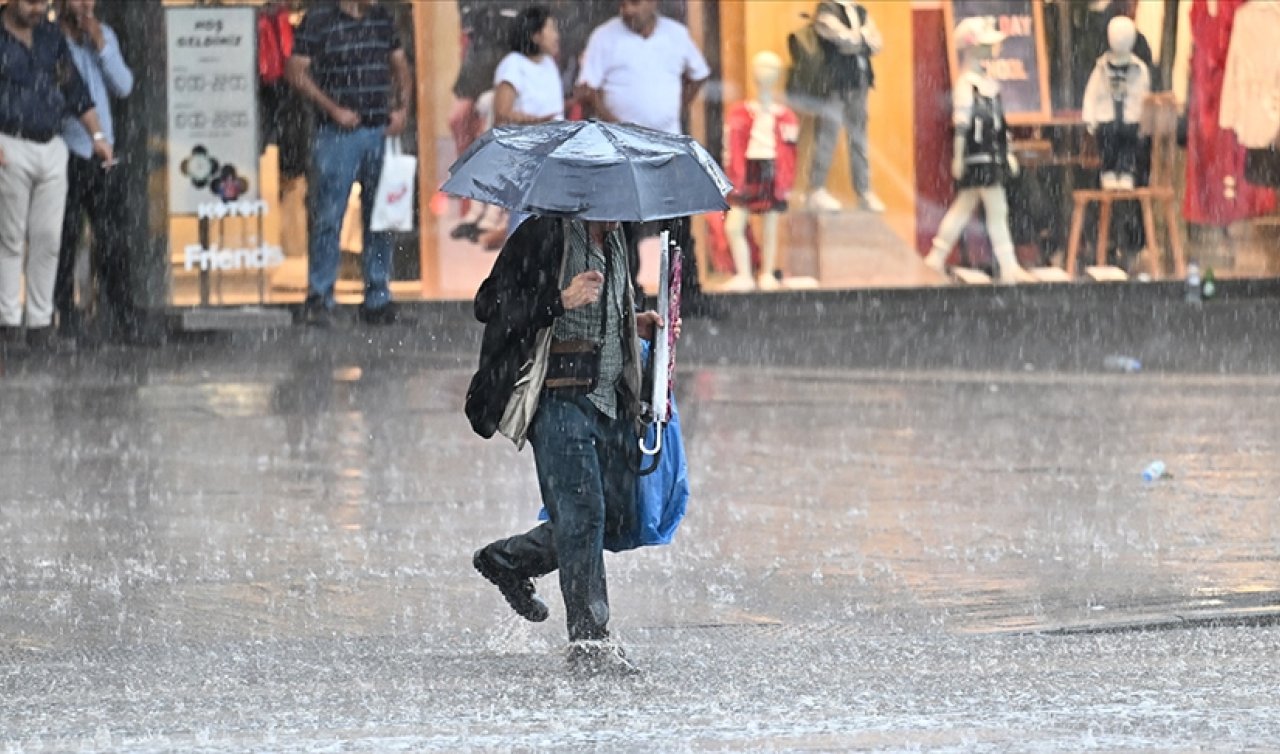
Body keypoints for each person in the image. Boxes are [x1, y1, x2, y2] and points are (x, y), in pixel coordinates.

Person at [465, 215, 666, 678]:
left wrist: (632, 322)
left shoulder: (617, 238)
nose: (619, 208)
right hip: (558, 400)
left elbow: (604, 312)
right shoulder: (543, 234)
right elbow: (489, 303)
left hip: (611, 398)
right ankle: (590, 641)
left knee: (614, 516)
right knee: (583, 515)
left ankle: (508, 560)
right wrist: (559, 300)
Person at [577, 0, 712, 311]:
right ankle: (627, 295)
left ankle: (685, 293)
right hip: (621, 151)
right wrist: (616, 124)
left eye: (635, 3)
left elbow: (699, 74)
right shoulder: (605, 37)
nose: (628, 10)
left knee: (677, 224)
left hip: (667, 147)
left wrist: (677, 107)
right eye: (623, 4)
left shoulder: (676, 35)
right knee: (624, 227)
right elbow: (586, 89)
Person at [286, 0, 412, 327]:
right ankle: (321, 295)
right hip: (337, 133)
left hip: (377, 129)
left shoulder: (381, 18)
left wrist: (402, 109)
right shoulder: (320, 19)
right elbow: (296, 71)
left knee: (380, 217)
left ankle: (376, 297)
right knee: (329, 216)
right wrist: (333, 109)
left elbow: (400, 65)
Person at [0, 0, 113, 356]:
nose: (38, 9)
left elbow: (74, 88)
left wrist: (97, 136)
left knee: (49, 238)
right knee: (9, 237)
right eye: (31, 2)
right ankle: (7, 322)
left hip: (51, 142)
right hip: (9, 140)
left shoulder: (49, 37)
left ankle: (40, 322)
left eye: (42, 3)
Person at [922, 17, 1034, 283]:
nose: (992, 49)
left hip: (991, 156)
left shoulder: (987, 84)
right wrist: (958, 157)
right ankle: (1008, 265)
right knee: (997, 208)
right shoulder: (967, 86)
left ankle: (936, 256)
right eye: (985, 44)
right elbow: (962, 125)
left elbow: (998, 125)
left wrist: (1006, 152)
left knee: (963, 207)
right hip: (979, 158)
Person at [54, 0, 133, 344]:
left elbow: (124, 85)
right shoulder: (52, 41)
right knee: (65, 238)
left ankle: (120, 314)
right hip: (68, 150)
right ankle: (65, 314)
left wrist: (101, 45)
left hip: (104, 154)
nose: (85, 5)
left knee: (113, 238)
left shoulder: (105, 36)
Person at [803, 0, 884, 214]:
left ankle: (864, 191)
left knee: (859, 139)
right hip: (834, 84)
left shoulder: (860, 11)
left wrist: (857, 39)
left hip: (860, 82)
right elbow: (842, 40)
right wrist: (863, 38)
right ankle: (816, 189)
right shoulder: (826, 9)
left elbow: (877, 43)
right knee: (827, 136)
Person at [493, 5, 565, 236]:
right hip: (525, 159)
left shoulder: (549, 64)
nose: (557, 35)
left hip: (553, 156)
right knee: (524, 224)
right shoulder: (513, 64)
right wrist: (536, 122)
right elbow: (502, 112)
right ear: (535, 35)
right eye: (551, 29)